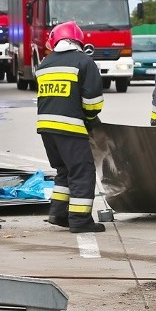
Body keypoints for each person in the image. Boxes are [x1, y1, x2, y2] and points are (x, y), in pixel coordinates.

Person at [36, 21, 106, 233]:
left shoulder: (45, 63)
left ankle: (58, 213)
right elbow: (92, 102)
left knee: (63, 171)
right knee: (82, 171)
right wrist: (92, 120)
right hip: (71, 128)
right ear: (78, 41)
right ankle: (80, 219)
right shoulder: (84, 62)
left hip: (46, 128)